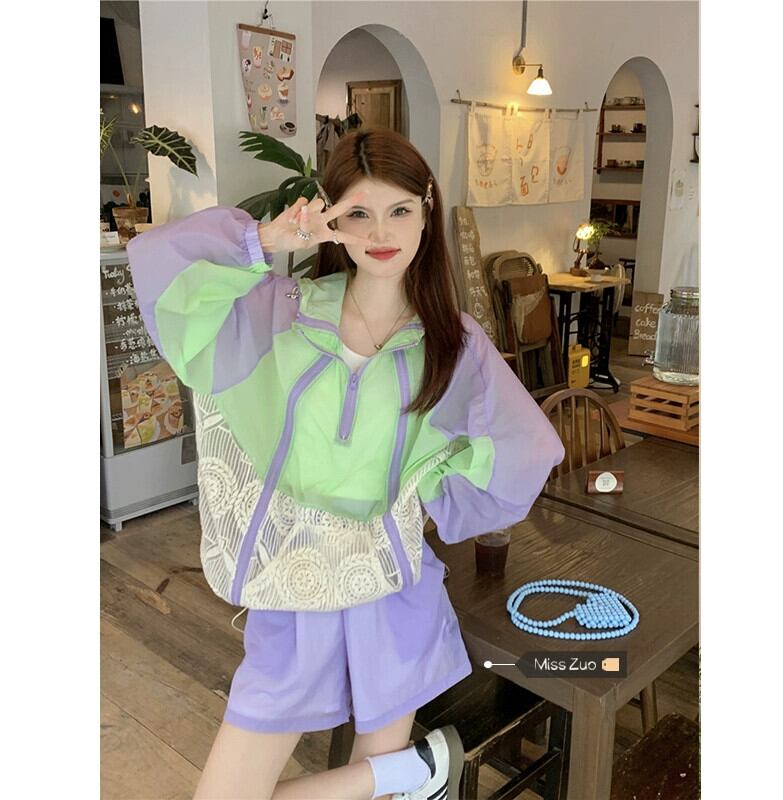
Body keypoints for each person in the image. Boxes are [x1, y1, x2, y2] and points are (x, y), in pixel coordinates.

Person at [126, 127, 565, 800]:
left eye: (400, 210)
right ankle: (415, 771)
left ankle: (400, 775)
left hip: (389, 589)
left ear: (427, 212)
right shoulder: (280, 311)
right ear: (331, 218)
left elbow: (525, 448)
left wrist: (430, 487)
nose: (380, 232)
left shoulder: (454, 344)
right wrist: (266, 240)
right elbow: (163, 267)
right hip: (293, 589)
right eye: (358, 212)